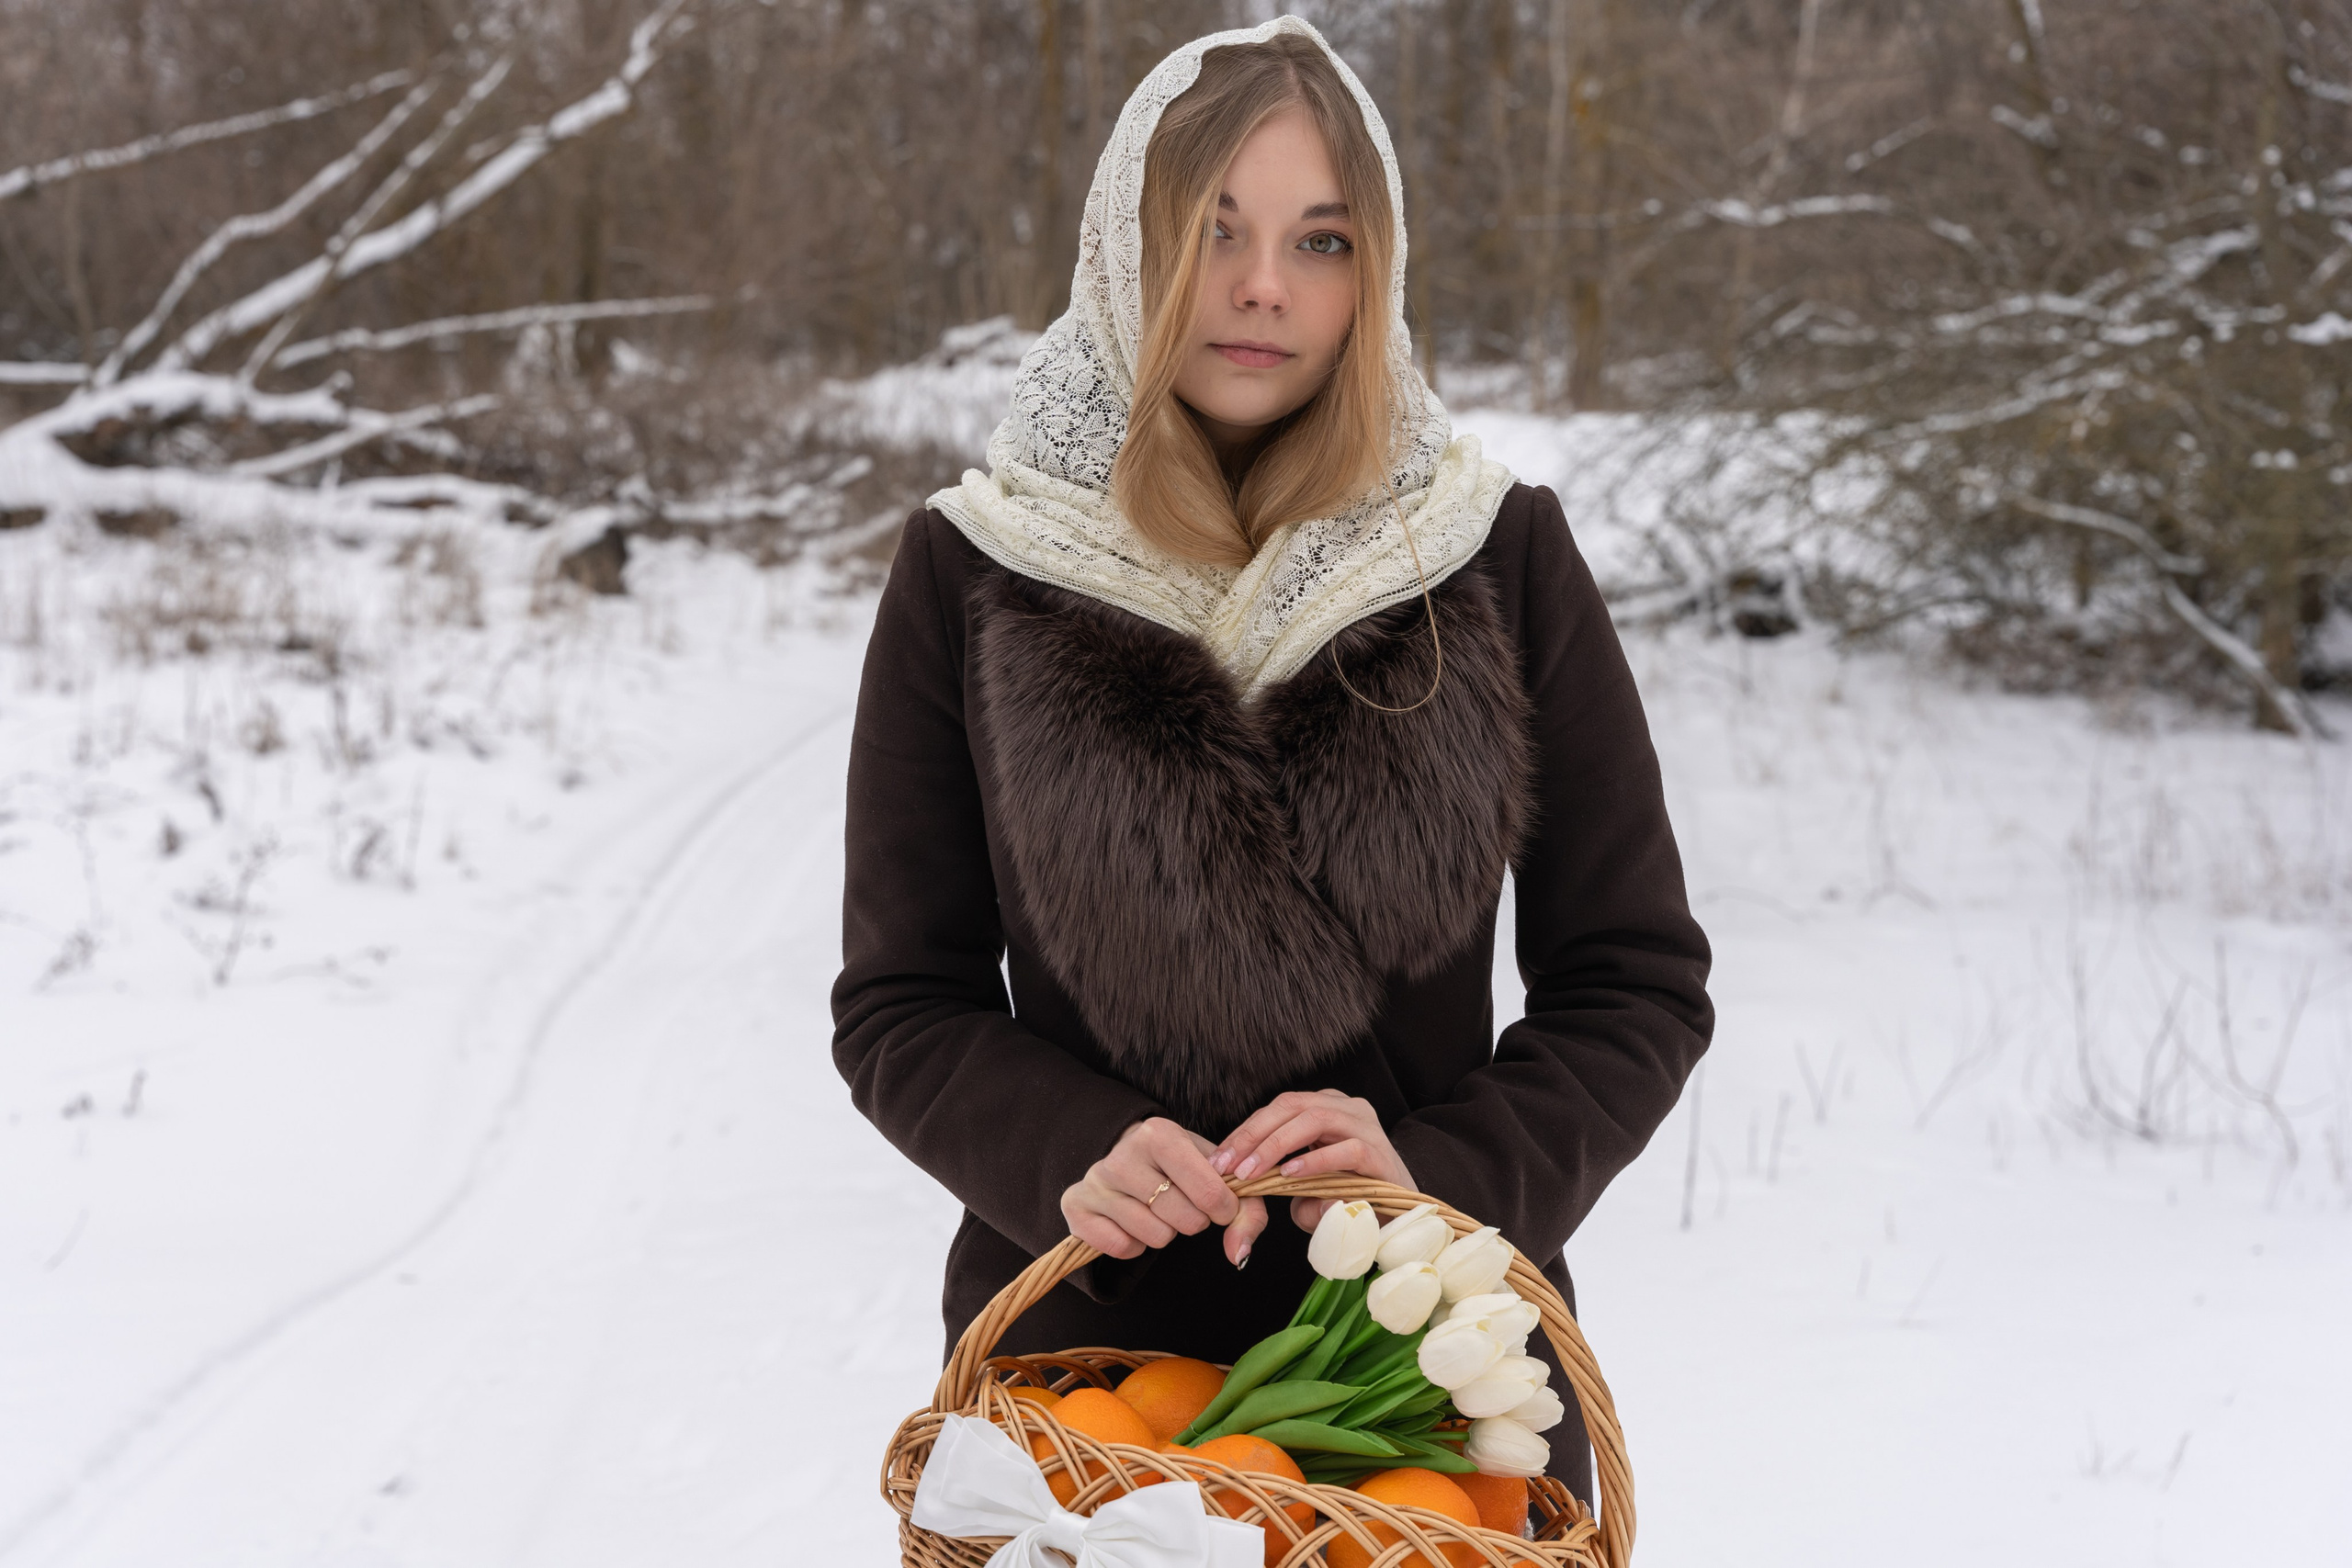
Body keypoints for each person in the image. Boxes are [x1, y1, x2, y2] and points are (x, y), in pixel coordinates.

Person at [831, 15, 1713, 1505]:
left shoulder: (1494, 553)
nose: (1260, 288)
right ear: (1133, 243)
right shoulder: (973, 568)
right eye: (1216, 230)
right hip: (1083, 1393)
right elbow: (899, 1005)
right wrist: (1073, 1147)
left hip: (1434, 1381)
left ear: (1380, 272)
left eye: (1323, 241)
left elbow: (1634, 984)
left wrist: (1434, 1183)